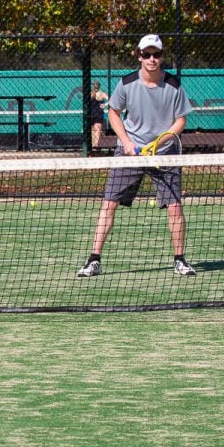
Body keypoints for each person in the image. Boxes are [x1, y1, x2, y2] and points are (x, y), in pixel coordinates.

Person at [75, 34, 196, 278]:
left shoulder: (173, 85)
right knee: (109, 204)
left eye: (156, 54)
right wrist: (127, 143)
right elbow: (113, 113)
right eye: (147, 54)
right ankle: (94, 260)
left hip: (164, 154)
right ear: (139, 56)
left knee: (174, 207)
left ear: (162, 57)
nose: (152, 59)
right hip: (129, 153)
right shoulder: (127, 83)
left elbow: (181, 120)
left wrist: (161, 142)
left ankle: (180, 260)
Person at [88, 84, 109, 151]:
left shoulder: (100, 94)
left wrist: (104, 105)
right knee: (95, 131)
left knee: (96, 130)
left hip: (96, 114)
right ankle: (94, 146)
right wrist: (105, 105)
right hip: (93, 114)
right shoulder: (91, 94)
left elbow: (111, 100)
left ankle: (95, 146)